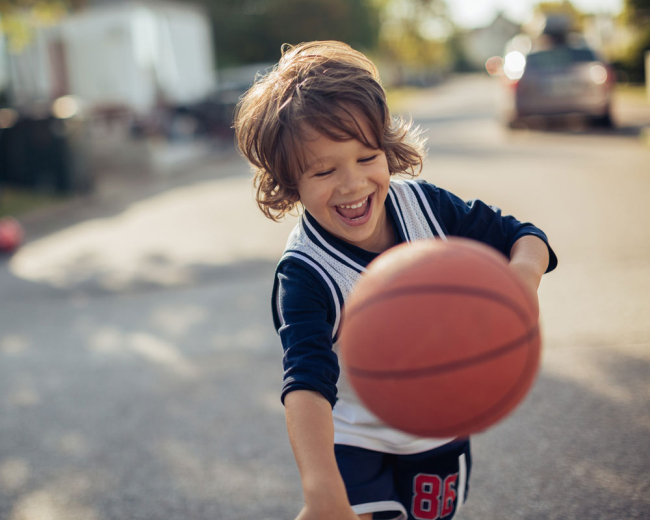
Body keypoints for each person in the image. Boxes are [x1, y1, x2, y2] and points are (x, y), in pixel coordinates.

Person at [234, 41, 557, 520]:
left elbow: (526, 238)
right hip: (354, 435)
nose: (352, 183)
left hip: (437, 423)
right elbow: (306, 382)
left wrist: (518, 283)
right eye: (324, 170)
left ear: (386, 149)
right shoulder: (306, 273)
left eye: (367, 158)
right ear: (289, 183)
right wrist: (321, 489)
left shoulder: (424, 205)